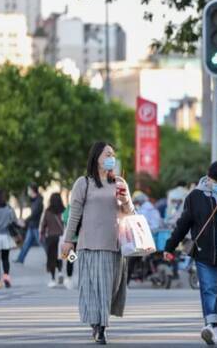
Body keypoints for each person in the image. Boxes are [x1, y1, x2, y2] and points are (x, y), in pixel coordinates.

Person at [61, 141, 134, 345]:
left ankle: (99, 322)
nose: (111, 158)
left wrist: (126, 199)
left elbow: (130, 214)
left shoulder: (120, 183)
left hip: (115, 245)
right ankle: (99, 327)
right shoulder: (83, 183)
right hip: (90, 245)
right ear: (96, 158)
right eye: (107, 154)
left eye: (113, 154)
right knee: (95, 288)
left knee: (110, 288)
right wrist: (68, 241)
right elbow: (74, 214)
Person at [164, 160, 217, 345]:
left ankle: (215, 325)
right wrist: (169, 247)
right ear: (209, 178)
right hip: (204, 252)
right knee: (208, 289)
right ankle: (211, 326)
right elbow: (183, 224)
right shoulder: (195, 197)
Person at [39, 193, 66, 288]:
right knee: (61, 256)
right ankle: (60, 272)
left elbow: (43, 224)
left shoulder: (47, 211)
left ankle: (53, 279)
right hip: (61, 237)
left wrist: (41, 234)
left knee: (51, 258)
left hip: (50, 238)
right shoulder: (64, 210)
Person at [14, 183, 43, 264]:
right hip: (32, 226)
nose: (28, 191)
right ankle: (20, 259)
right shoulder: (34, 200)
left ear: (33, 190)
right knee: (26, 243)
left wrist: (24, 221)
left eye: (29, 190)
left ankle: (54, 259)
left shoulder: (38, 201)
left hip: (36, 226)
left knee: (43, 244)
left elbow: (34, 214)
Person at [62, 201, 77, 290]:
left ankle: (69, 278)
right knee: (84, 259)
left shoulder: (70, 206)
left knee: (71, 260)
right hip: (83, 239)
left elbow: (64, 218)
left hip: (71, 240)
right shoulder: (86, 205)